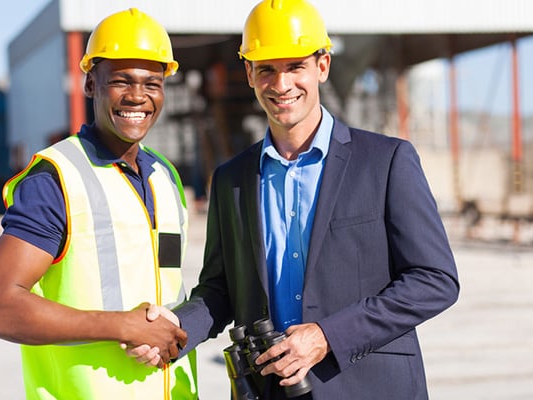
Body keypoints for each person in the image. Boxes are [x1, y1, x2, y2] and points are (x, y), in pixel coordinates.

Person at [134, 0, 460, 398]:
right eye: (267, 69)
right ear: (249, 73)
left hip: (369, 387)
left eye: (295, 67)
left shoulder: (386, 161)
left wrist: (329, 335)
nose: (282, 84)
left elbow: (435, 280)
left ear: (322, 66)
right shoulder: (231, 180)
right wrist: (171, 330)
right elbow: (220, 291)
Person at [0, 8, 198, 400]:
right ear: (91, 83)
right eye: (121, 81)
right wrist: (122, 326)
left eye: (152, 83)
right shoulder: (55, 178)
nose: (138, 97)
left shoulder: (166, 176)